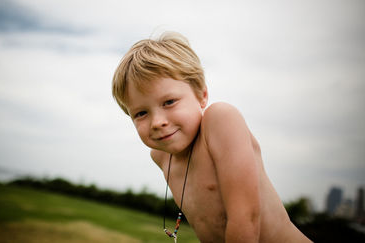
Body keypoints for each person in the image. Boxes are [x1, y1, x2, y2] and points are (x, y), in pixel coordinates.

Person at [112, 32, 312, 243]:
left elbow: (246, 217)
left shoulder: (220, 120)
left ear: (202, 95)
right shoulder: (160, 157)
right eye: (141, 113)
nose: (157, 122)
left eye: (169, 102)